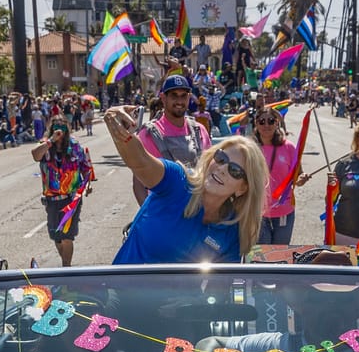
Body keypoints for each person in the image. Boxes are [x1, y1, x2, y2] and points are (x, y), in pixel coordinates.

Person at [104, 105, 264, 265]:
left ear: (243, 188)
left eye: (234, 170)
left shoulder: (231, 231)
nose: (222, 169)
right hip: (123, 288)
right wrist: (119, 129)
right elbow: (141, 162)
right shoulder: (177, 180)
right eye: (221, 158)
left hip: (182, 292)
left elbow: (225, 285)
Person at [301, 116, 359, 249]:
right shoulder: (344, 164)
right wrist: (332, 189)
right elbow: (330, 202)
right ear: (357, 138)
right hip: (343, 236)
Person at [134, 75, 213, 203]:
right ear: (163, 98)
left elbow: (209, 172)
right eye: (174, 95)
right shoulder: (147, 134)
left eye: (183, 96)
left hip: (197, 210)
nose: (179, 101)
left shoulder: (199, 130)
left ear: (189, 97)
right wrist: (152, 218)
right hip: (164, 212)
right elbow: (138, 184)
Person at [33, 118, 94, 267]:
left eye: (62, 127)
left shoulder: (74, 146)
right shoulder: (45, 145)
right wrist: (51, 141)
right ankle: (65, 262)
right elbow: (35, 155)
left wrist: (86, 185)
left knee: (68, 236)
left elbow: (85, 167)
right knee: (57, 236)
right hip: (52, 199)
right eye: (56, 127)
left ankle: (67, 268)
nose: (59, 130)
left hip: (72, 199)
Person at [252, 107, 300, 246]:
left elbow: (297, 175)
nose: (266, 125)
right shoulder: (249, 148)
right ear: (256, 123)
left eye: (271, 121)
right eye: (262, 121)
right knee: (262, 256)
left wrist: (301, 179)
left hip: (284, 210)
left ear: (277, 123)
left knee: (280, 254)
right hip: (258, 212)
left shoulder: (289, 147)